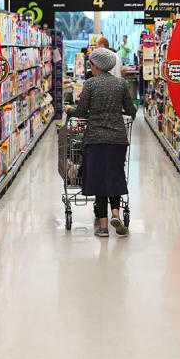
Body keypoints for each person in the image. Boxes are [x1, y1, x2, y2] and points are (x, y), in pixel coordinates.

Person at [66, 47, 137, 237]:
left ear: (95, 65)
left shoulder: (90, 84)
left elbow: (80, 111)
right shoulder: (121, 84)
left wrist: (68, 110)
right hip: (117, 139)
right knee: (114, 175)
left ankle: (104, 227)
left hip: (95, 139)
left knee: (98, 180)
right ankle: (116, 213)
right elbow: (131, 111)